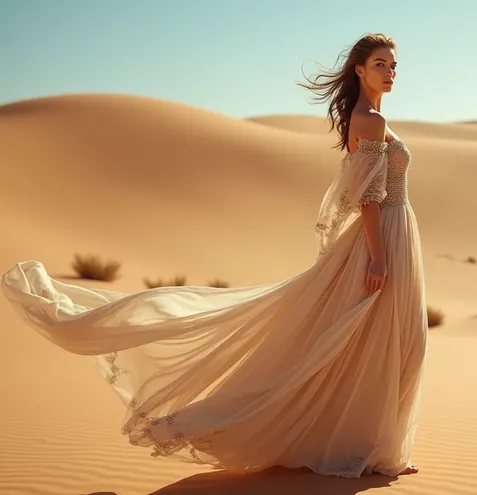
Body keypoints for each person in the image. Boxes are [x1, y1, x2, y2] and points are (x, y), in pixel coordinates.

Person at [1, 32, 427, 479]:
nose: (390, 72)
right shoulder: (369, 121)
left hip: (395, 234)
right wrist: (377, 258)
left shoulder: (374, 116)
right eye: (381, 64)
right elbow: (369, 198)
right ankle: (371, 449)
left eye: (393, 66)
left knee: (384, 343)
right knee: (387, 343)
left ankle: (375, 447)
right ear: (360, 69)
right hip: (383, 239)